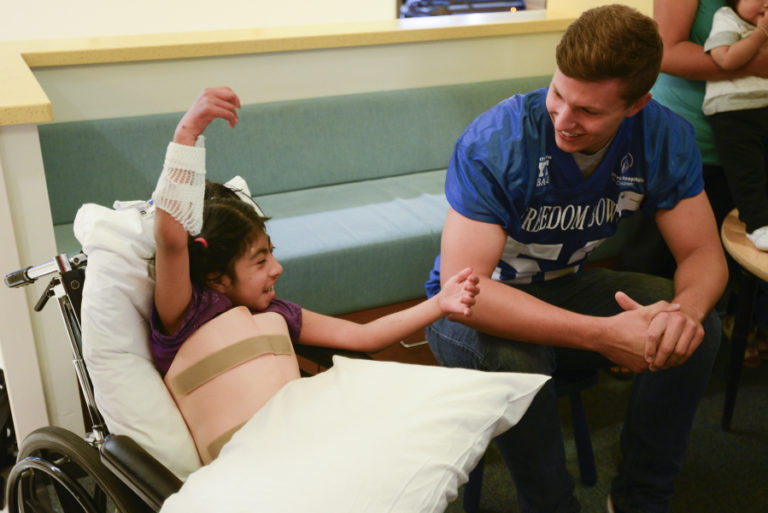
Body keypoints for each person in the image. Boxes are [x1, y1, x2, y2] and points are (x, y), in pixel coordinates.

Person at [424, 5, 727, 513]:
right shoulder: (497, 141)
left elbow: (702, 253)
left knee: (697, 329)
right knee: (517, 361)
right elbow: (466, 293)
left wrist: (683, 316)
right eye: (558, 94)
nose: (564, 119)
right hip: (464, 310)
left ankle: (639, 498)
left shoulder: (662, 135)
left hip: (563, 288)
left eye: (588, 111)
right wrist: (605, 335)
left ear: (636, 106)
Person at [149, 86, 480, 377]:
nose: (277, 269)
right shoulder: (187, 314)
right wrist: (187, 134)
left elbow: (364, 337)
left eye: (272, 254)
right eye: (260, 261)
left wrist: (440, 303)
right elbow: (171, 241)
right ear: (217, 278)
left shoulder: (276, 313)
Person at [653, 0, 768, 367]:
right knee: (664, 251)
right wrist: (754, 62)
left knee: (739, 238)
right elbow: (665, 52)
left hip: (750, 134)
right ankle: (648, 331)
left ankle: (731, 324)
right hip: (688, 131)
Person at [703, 0, 768, 250]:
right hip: (734, 112)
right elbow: (726, 59)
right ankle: (758, 225)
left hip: (763, 106)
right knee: (747, 172)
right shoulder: (727, 18)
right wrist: (761, 32)